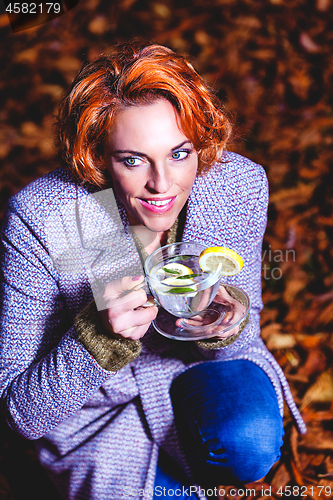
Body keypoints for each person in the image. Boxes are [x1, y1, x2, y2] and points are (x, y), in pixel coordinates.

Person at [0, 41, 306, 500]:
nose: (162, 184)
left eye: (180, 153)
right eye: (132, 159)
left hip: (191, 377)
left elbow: (243, 341)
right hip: (94, 419)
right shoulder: (45, 218)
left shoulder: (234, 185)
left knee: (250, 442)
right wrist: (97, 339)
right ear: (99, 156)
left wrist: (224, 323)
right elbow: (21, 414)